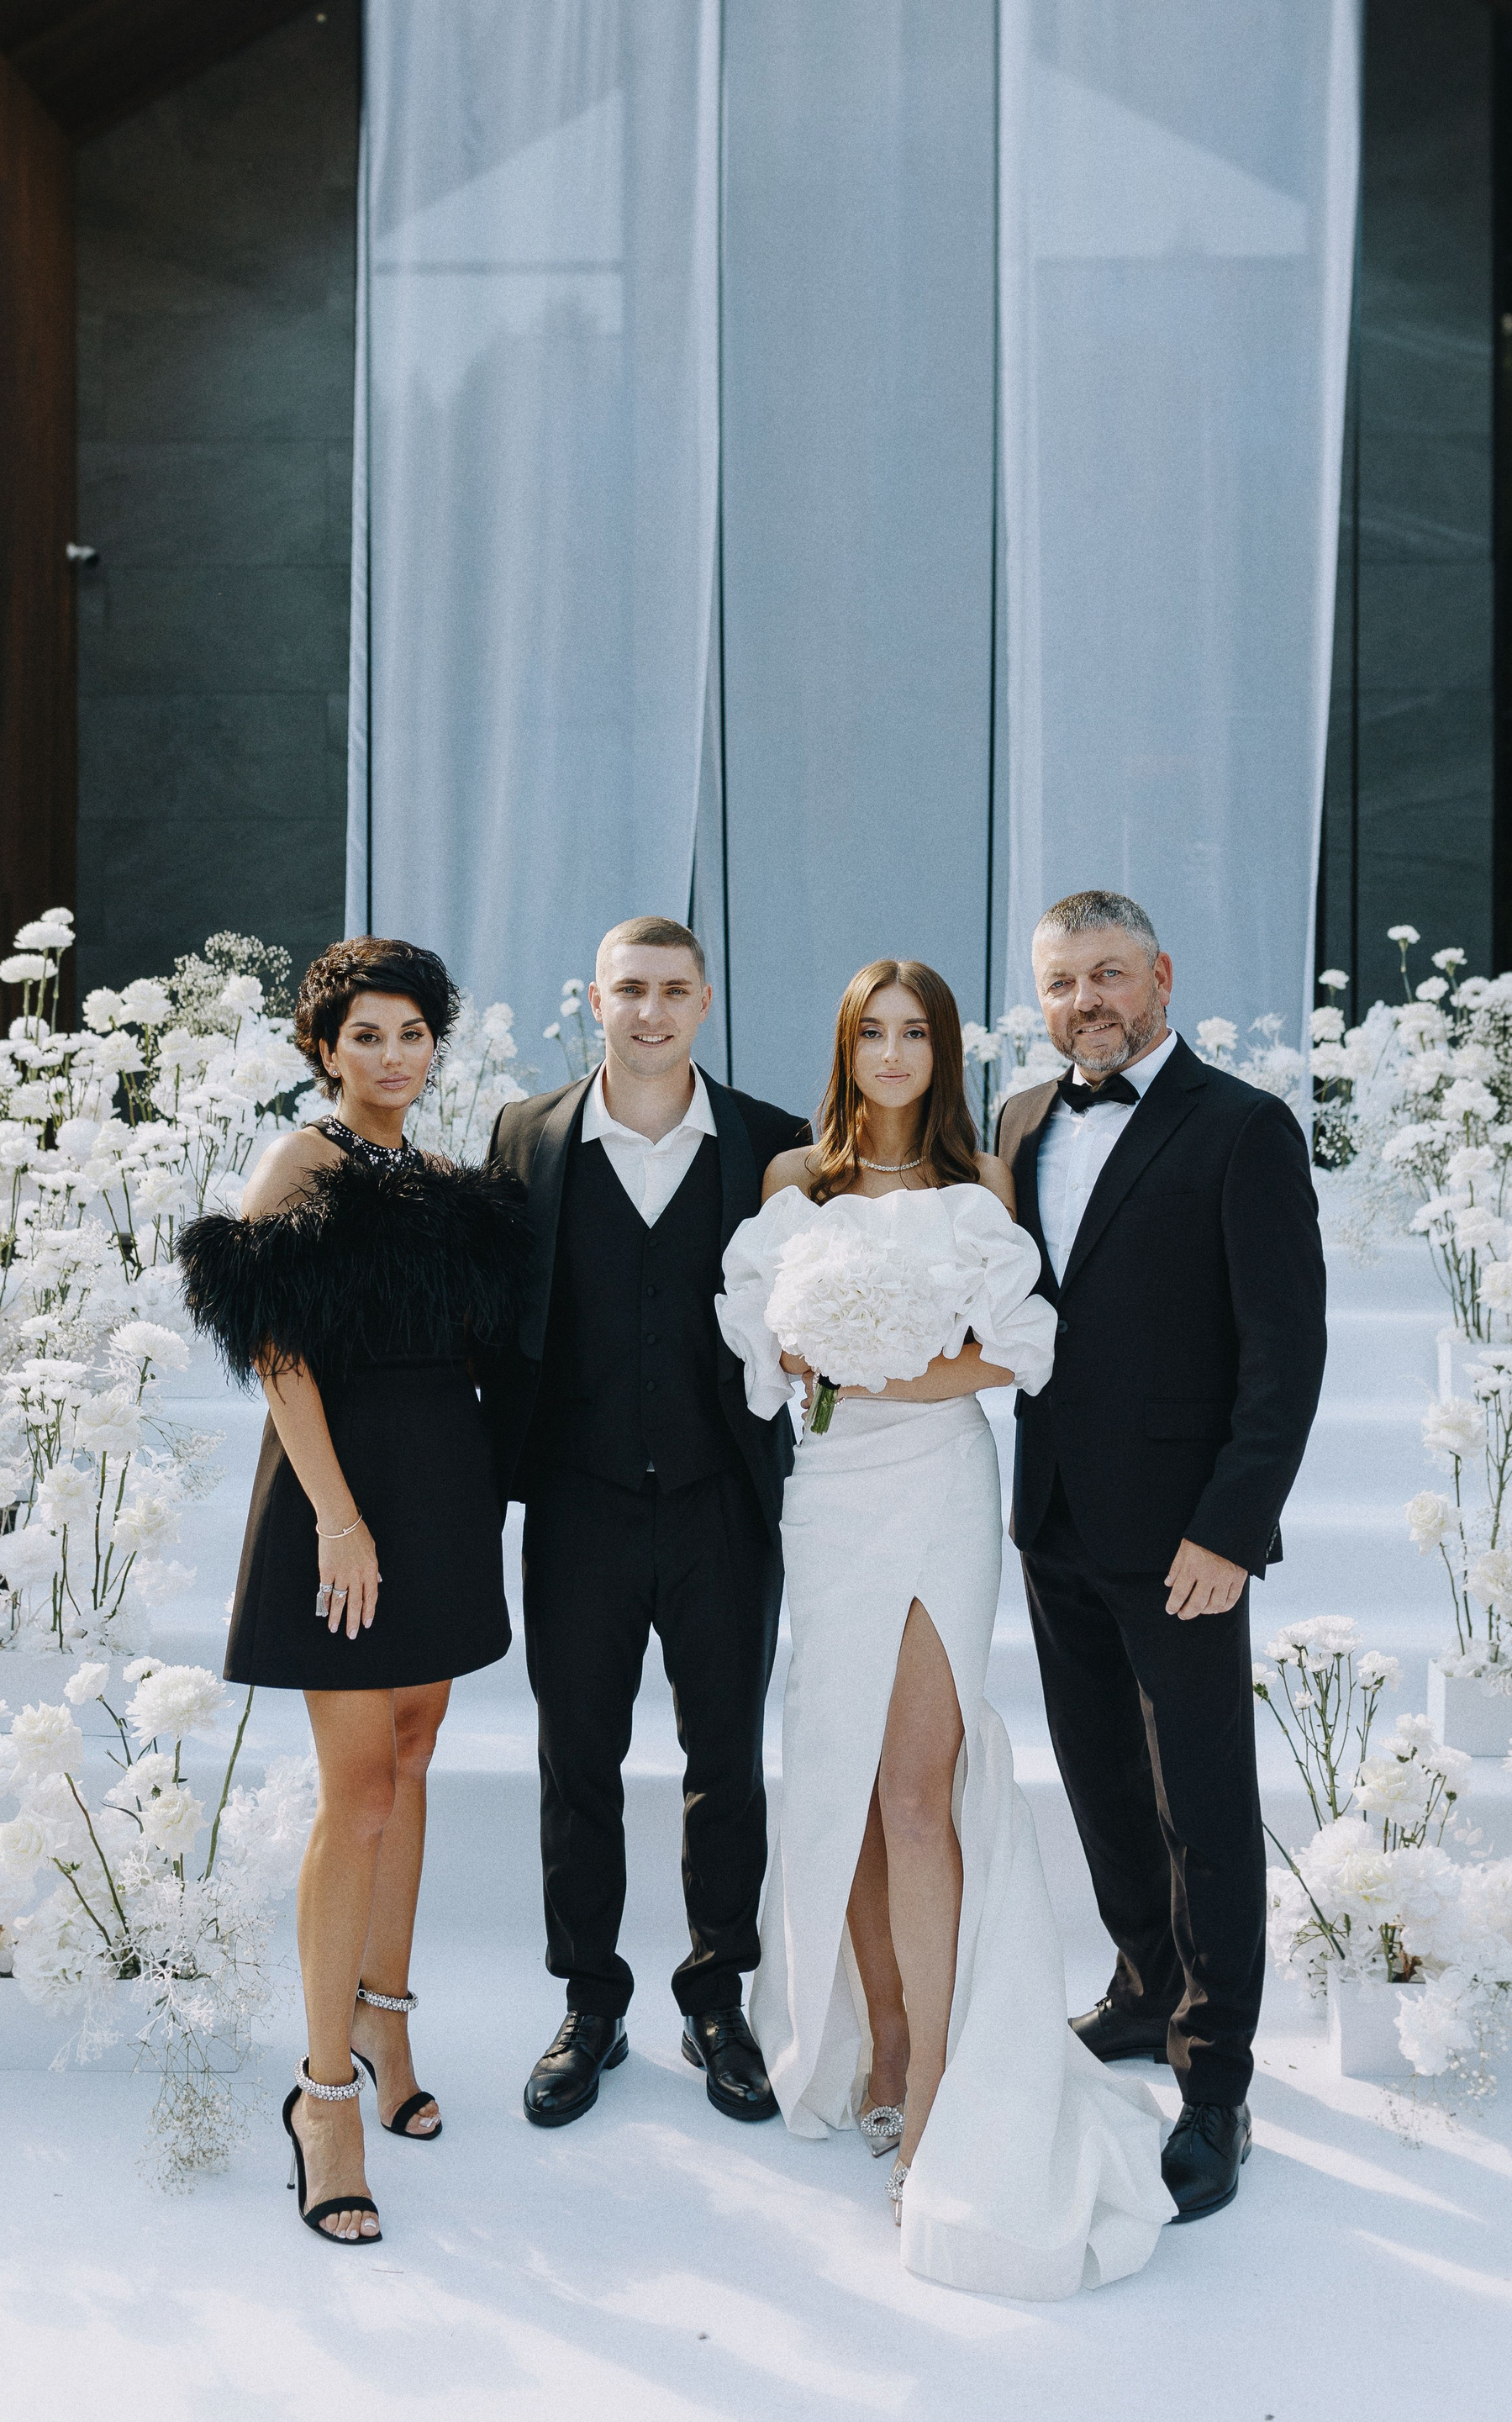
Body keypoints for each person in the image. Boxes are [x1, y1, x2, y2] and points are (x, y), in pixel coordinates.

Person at [718, 958, 1171, 2298]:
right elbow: (758, 1351)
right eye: (874, 1032)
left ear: (944, 1050)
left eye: (916, 1032)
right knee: (848, 1785)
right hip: (829, 1494)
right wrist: (806, 1354)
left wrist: (893, 1369)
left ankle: (932, 2100)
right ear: (846, 1048)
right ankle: (888, 2032)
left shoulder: (980, 1184)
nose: (895, 1053)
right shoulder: (791, 1181)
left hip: (936, 1485)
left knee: (919, 1791)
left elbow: (1025, 1347)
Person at [178, 937, 527, 2245]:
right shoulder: (301, 1160)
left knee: (417, 1750)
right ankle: (323, 2096)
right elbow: (276, 1351)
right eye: (365, 1033)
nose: (391, 1054)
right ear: (325, 1048)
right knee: (361, 1789)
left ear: (436, 1045)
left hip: (443, 1490)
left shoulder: (436, 1177)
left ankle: (386, 2016)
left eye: (411, 1032)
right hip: (346, 1500)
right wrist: (337, 1518)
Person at [996, 890, 1326, 2224]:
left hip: (1187, 1534)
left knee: (1203, 1799)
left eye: (1109, 973)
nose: (1086, 1000)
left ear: (1162, 976)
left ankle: (1217, 2073)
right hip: (1055, 1517)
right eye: (1062, 981)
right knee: (1098, 1777)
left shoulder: (1243, 1127)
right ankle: (1143, 1987)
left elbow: (1285, 1350)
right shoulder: (1019, 1121)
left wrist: (1231, 1529)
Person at [484, 916, 809, 2128]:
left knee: (725, 1759)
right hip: (579, 1502)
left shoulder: (774, 1141)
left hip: (727, 1499)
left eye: (674, 990)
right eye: (631, 989)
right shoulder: (526, 1136)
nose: (652, 1011)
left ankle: (716, 1997)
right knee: (578, 1758)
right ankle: (591, 2000)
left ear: (705, 1002)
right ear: (596, 1000)